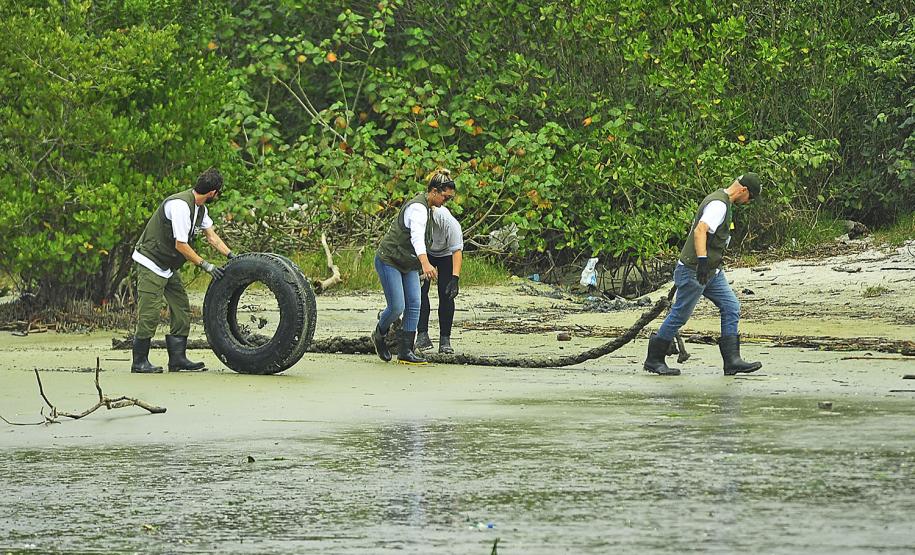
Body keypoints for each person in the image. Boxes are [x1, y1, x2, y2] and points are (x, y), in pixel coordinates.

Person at [644, 172, 764, 376]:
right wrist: (701, 262)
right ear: (743, 190)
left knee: (731, 306)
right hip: (694, 270)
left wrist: (707, 266)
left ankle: (732, 361)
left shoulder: (724, 202)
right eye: (750, 198)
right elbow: (701, 231)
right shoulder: (719, 205)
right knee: (680, 315)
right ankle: (654, 359)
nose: (749, 202)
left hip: (712, 273)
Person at [130, 168, 235, 373]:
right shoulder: (180, 206)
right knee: (150, 314)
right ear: (213, 192)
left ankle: (177, 359)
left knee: (181, 308)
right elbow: (181, 245)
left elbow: (212, 237)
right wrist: (205, 265)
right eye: (218, 192)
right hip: (151, 262)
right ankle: (139, 361)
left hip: (168, 267)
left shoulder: (201, 209)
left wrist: (232, 256)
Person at [372, 169, 457, 364]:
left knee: (415, 304)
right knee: (397, 306)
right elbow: (417, 238)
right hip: (390, 259)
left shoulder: (430, 205)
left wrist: (444, 173)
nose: (446, 202)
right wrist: (426, 264)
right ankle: (379, 334)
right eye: (445, 197)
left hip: (408, 262)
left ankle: (406, 351)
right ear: (434, 192)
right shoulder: (418, 209)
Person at [415, 205, 463, 354]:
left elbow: (457, 251)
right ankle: (422, 334)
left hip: (446, 254)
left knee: (446, 293)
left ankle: (445, 340)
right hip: (425, 252)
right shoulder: (417, 219)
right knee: (419, 292)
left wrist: (455, 279)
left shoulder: (449, 222)